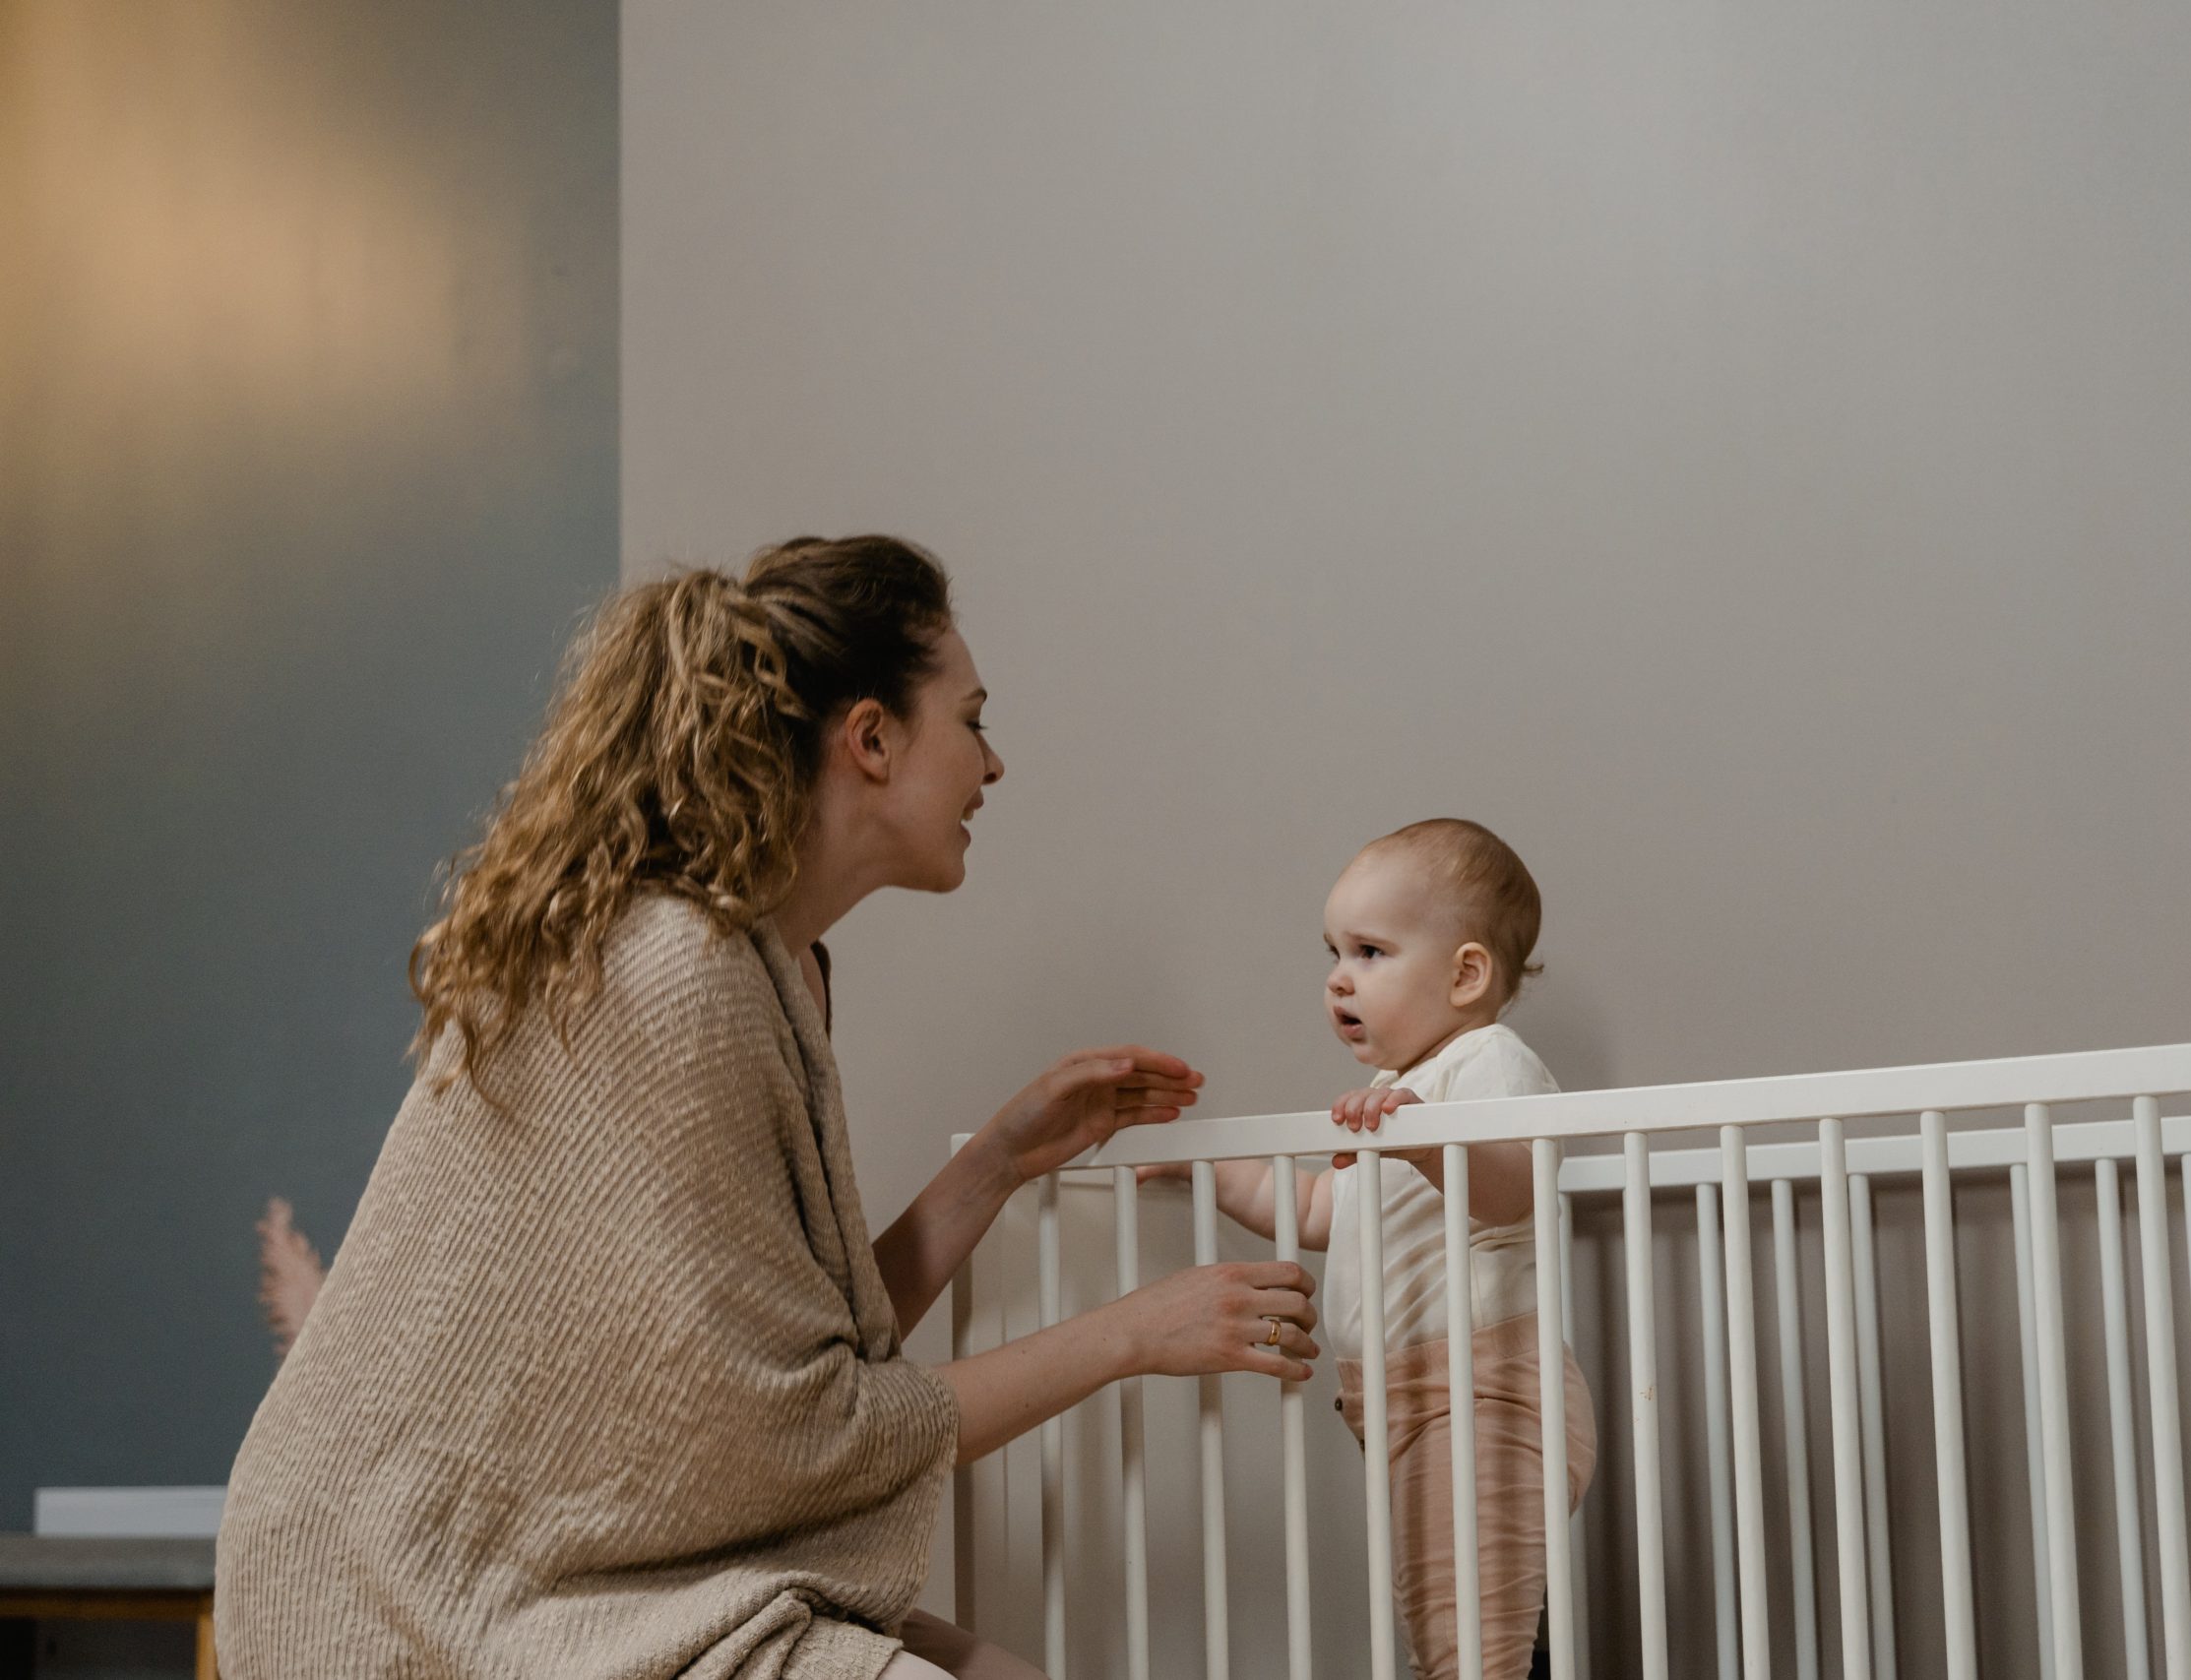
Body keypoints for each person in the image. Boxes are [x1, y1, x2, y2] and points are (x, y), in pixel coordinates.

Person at [216, 536, 1320, 1680]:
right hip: (403, 1598)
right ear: (874, 738)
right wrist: (1132, 1331)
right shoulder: (676, 975)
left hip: (550, 1574)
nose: (994, 767)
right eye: (974, 720)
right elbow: (801, 1432)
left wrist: (996, 1162)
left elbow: (761, 1366)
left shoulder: (765, 969)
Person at [1145, 819, 1597, 1680]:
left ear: (1467, 973)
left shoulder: (1485, 1062)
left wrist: (1423, 1139)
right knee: (1460, 1626)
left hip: (1487, 1396)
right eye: (1333, 952)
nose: (1338, 978)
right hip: (1408, 1406)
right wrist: (1211, 1167)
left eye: (1371, 951)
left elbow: (1512, 1186)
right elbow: (1319, 1206)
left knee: (1468, 1648)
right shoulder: (1392, 1095)